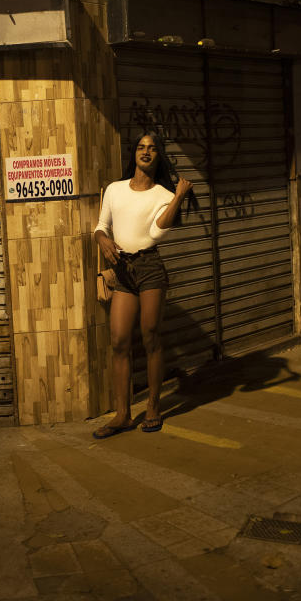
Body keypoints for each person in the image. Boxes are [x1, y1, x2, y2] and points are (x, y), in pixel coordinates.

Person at [92, 133, 195, 439]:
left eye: (152, 148)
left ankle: (152, 406)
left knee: (151, 335)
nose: (146, 152)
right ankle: (122, 414)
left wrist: (178, 196)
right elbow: (100, 227)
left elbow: (155, 233)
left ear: (158, 156)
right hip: (122, 270)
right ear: (134, 153)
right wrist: (103, 240)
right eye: (141, 147)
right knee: (119, 340)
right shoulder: (114, 189)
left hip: (149, 268)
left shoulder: (163, 195)